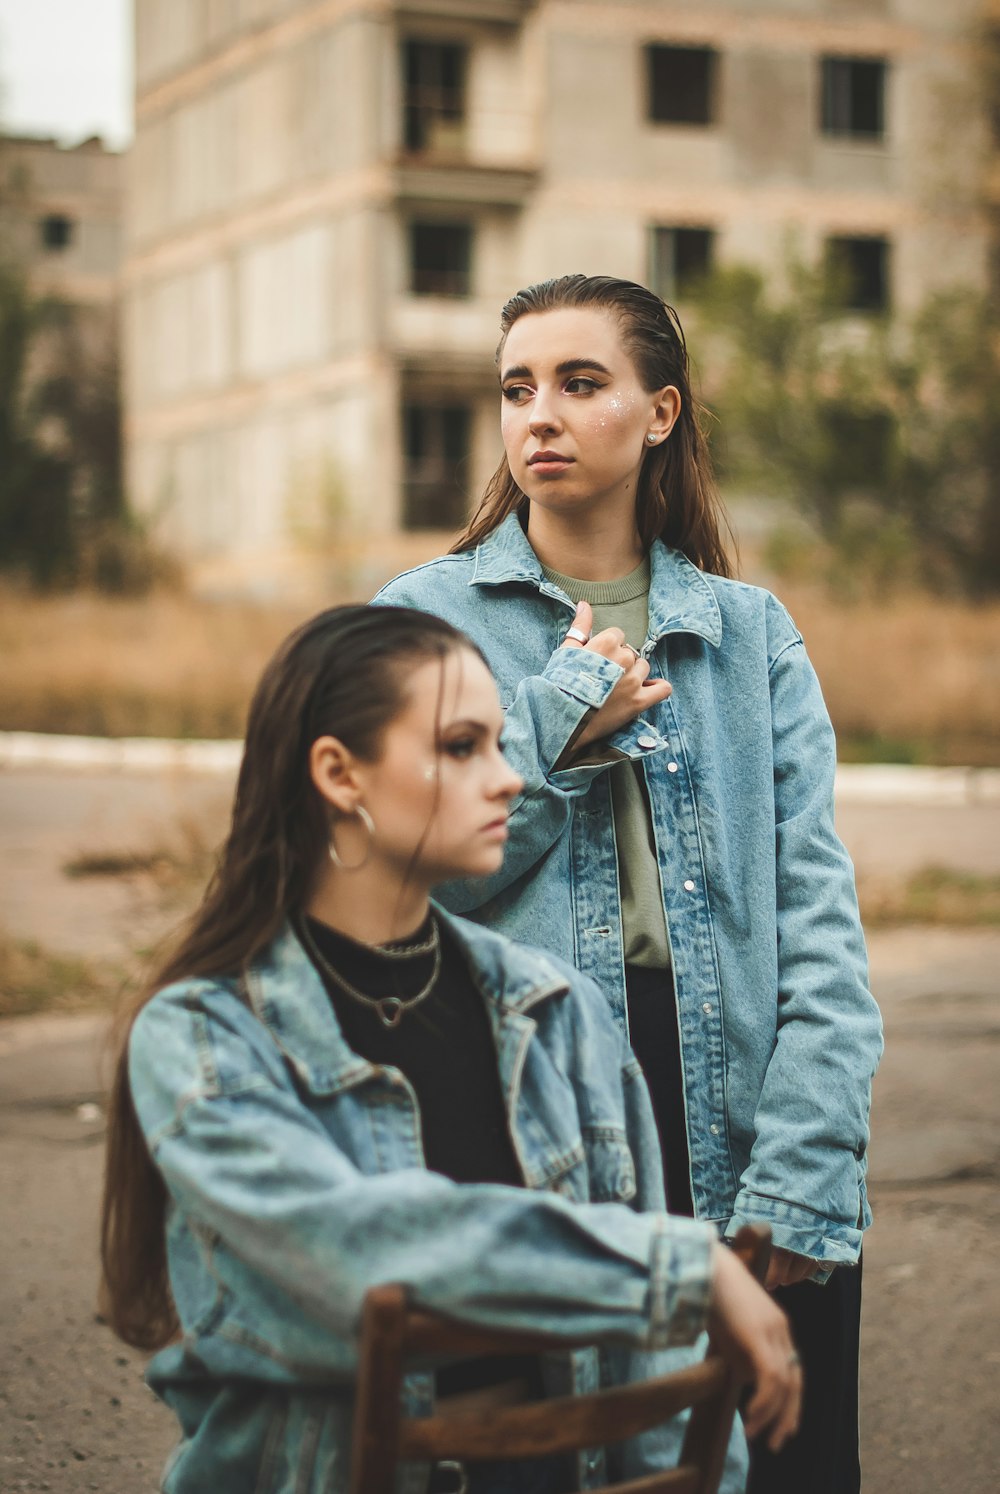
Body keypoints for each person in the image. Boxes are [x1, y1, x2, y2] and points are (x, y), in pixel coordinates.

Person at [99, 604, 800, 1494]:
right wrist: (677, 1265)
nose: (509, 780)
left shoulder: (555, 1014)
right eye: (462, 747)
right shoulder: (205, 1036)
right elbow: (359, 1256)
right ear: (339, 775)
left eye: (502, 746)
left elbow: (650, 1366)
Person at [372, 275, 883, 1494]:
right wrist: (555, 733)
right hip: (521, 1120)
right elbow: (393, 909)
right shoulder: (418, 627)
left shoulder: (750, 635)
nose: (536, 413)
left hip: (745, 1115)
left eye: (577, 383)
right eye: (515, 388)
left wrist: (806, 1172)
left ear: (660, 414)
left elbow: (820, 929)